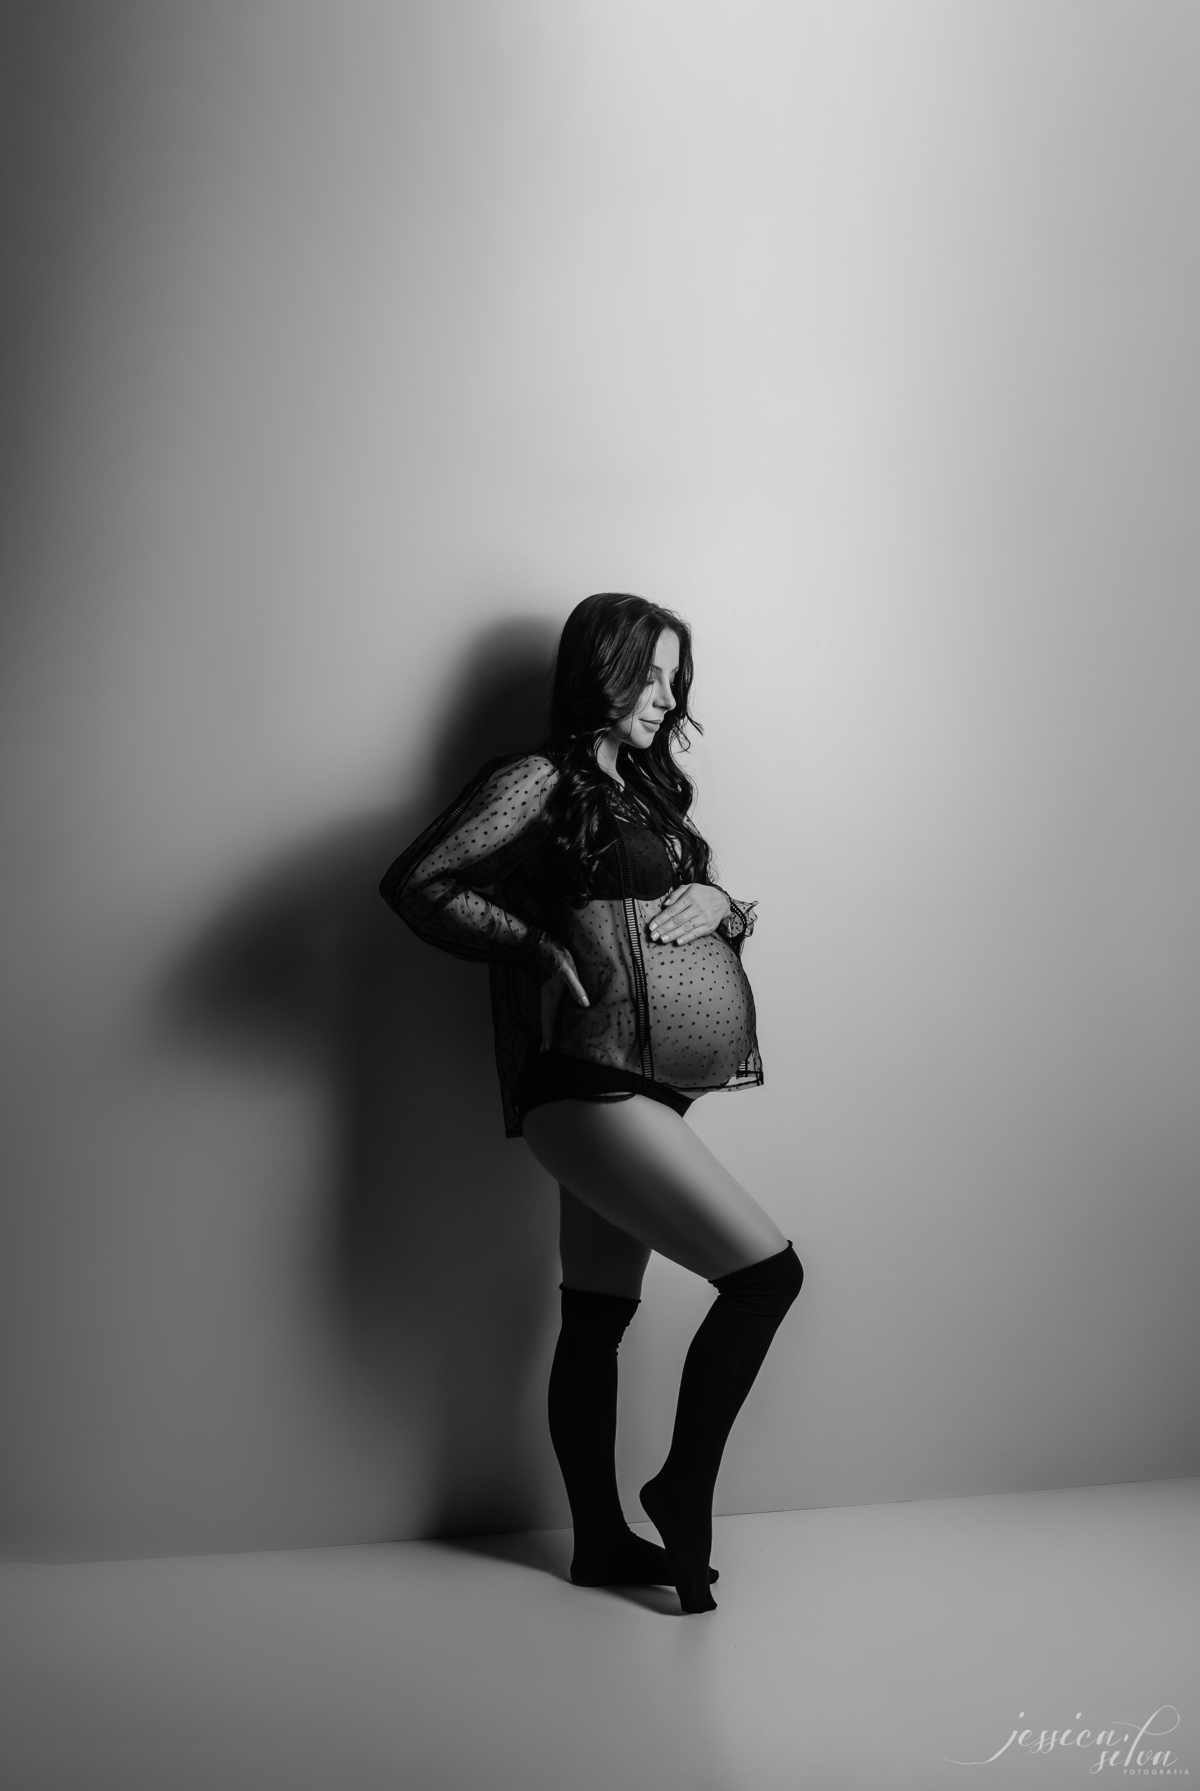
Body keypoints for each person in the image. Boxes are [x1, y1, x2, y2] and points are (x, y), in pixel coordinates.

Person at [380, 593, 803, 1613]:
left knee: (594, 1319)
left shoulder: (649, 795)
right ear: (598, 670)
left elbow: (695, 909)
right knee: (766, 1277)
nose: (665, 697)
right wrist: (533, 945)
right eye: (647, 675)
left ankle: (602, 1542)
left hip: (643, 1087)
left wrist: (725, 903)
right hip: (589, 1085)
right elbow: (421, 880)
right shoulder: (538, 779)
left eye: (674, 678)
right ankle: (680, 1490)